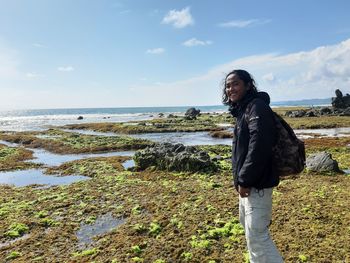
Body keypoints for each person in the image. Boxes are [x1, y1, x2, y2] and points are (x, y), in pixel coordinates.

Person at [222, 69, 284, 263]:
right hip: (250, 183)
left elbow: (260, 145)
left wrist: (245, 179)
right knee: (252, 234)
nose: (230, 88)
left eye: (235, 84)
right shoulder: (244, 110)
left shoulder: (256, 107)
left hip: (256, 184)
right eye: (228, 85)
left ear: (248, 85)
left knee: (257, 237)